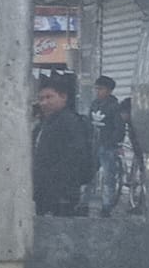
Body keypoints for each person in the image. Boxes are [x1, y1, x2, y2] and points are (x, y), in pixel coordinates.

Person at [33, 77, 89, 216]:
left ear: (63, 97)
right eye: (41, 99)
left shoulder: (69, 122)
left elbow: (77, 155)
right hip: (43, 190)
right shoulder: (44, 124)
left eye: (49, 97)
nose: (44, 102)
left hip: (62, 192)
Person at [89, 75, 124, 217]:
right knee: (88, 174)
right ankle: (84, 203)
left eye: (101, 89)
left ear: (109, 90)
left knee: (109, 177)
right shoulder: (94, 104)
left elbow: (119, 128)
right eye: (96, 89)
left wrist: (113, 143)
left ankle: (107, 205)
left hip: (108, 146)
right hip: (94, 145)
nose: (97, 92)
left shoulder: (114, 107)